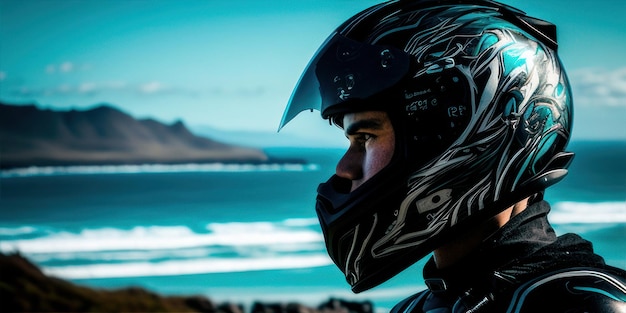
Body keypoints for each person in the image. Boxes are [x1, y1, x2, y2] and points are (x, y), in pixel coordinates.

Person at [278, 0, 626, 312]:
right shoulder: (418, 308)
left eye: (366, 137)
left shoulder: (584, 304)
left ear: (461, 130)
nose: (344, 168)